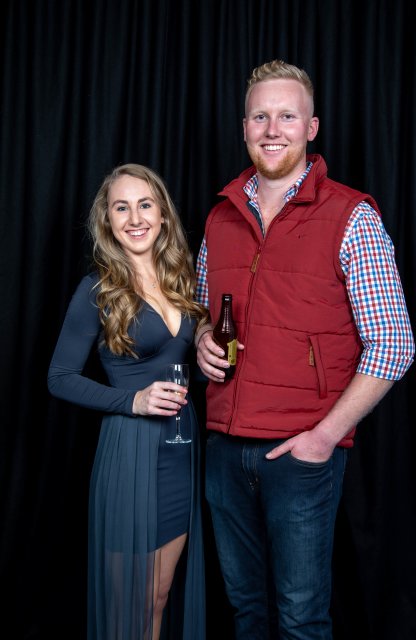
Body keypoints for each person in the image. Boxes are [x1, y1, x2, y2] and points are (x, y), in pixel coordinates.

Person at [195, 60, 415, 640]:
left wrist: (323, 438)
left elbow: (394, 344)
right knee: (246, 614)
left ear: (311, 128)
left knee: (300, 620)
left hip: (301, 455)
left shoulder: (351, 215)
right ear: (244, 127)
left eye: (287, 117)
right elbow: (200, 310)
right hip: (223, 449)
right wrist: (200, 339)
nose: (273, 130)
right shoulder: (220, 217)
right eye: (260, 117)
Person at [48, 163, 208, 640]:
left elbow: (197, 354)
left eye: (144, 205)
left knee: (157, 596)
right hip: (130, 453)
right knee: (130, 605)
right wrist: (132, 401)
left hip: (181, 452)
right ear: (108, 220)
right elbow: (59, 378)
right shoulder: (98, 289)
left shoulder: (183, 278)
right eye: (122, 208)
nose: (135, 218)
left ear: (162, 215)